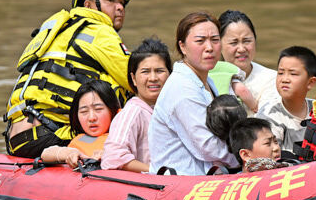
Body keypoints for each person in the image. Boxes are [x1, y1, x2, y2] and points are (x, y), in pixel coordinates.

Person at [3, 0, 134, 158]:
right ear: (88, 4)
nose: (119, 7)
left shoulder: (59, 28)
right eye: (111, 1)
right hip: (53, 135)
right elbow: (137, 81)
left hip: (17, 137)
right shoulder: (100, 32)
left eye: (122, 2)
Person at [148, 12, 238, 175]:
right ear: (182, 46)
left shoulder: (204, 80)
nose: (209, 48)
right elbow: (208, 147)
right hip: (181, 182)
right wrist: (245, 157)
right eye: (200, 41)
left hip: (207, 175)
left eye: (215, 40)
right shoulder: (182, 88)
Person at [101, 38, 173, 172]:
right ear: (133, 78)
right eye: (145, 72)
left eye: (159, 71)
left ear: (170, 74)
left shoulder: (171, 109)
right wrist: (156, 172)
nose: (153, 78)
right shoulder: (133, 113)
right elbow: (112, 157)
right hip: (153, 186)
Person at [41, 80, 120, 169]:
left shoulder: (127, 136)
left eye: (98, 109)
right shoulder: (78, 140)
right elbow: (45, 154)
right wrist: (70, 153)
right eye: (84, 111)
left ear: (113, 111)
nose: (91, 118)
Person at [255, 46, 316, 153]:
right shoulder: (269, 114)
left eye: (293, 74)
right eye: (280, 73)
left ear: (311, 82)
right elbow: (270, 158)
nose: (284, 79)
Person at [218, 10, 277, 107]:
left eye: (246, 41)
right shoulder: (207, 78)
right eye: (233, 43)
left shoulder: (272, 80)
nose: (241, 49)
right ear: (219, 45)